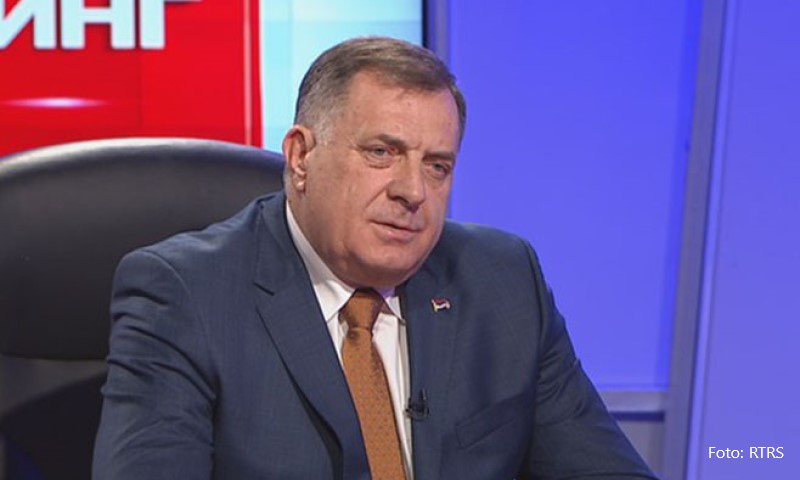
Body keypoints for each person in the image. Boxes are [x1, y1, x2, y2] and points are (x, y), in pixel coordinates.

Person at [93, 37, 657, 479]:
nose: (413, 191)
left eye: (437, 166)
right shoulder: (187, 295)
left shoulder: (503, 281)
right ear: (300, 157)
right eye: (382, 152)